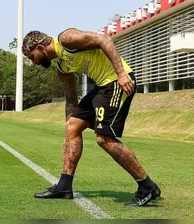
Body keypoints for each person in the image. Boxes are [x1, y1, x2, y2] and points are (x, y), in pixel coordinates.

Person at [22, 28, 161, 206]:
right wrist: (69, 127)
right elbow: (71, 100)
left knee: (104, 139)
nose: (33, 63)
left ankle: (147, 186)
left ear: (40, 47)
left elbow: (104, 40)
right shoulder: (62, 68)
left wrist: (121, 74)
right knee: (72, 126)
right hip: (102, 87)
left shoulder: (67, 39)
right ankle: (64, 187)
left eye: (31, 57)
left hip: (117, 81)